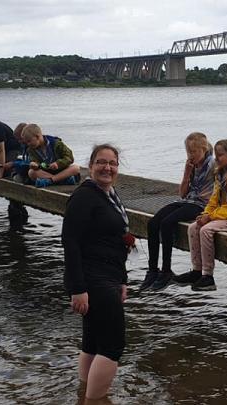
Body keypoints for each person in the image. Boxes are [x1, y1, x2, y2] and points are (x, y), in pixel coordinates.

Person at [62, 144, 134, 401]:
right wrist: (77, 289)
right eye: (101, 162)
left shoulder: (108, 195)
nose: (107, 168)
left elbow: (114, 241)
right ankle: (94, 400)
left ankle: (85, 395)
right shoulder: (85, 196)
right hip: (93, 279)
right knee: (113, 345)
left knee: (92, 341)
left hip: (108, 276)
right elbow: (70, 242)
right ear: (90, 166)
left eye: (112, 163)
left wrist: (122, 280)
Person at [173, 139, 227, 291]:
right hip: (225, 215)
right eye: (216, 155)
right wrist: (205, 214)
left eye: (221, 155)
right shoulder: (220, 173)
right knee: (193, 227)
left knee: (206, 230)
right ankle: (196, 270)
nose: (217, 158)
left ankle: (208, 276)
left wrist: (211, 218)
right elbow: (214, 199)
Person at [139, 132, 215, 291]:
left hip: (202, 204)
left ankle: (166, 270)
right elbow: (182, 193)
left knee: (167, 223)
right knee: (153, 223)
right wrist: (187, 173)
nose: (191, 155)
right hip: (186, 200)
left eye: (194, 151)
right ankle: (153, 270)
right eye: (188, 152)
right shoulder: (193, 166)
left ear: (204, 149)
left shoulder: (213, 165)